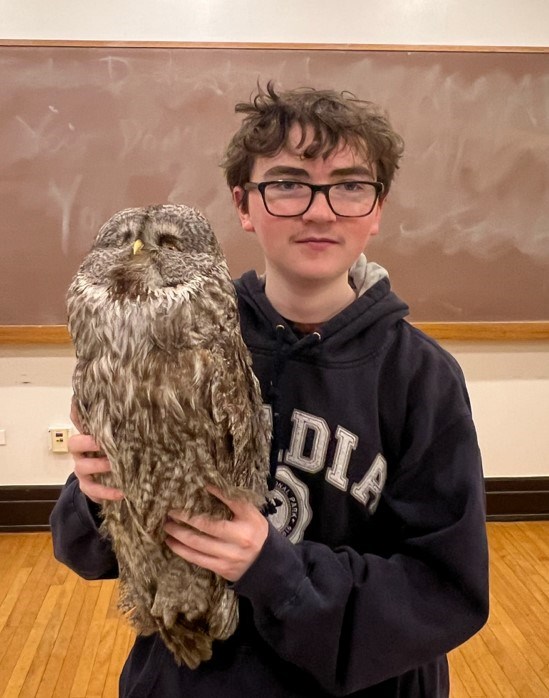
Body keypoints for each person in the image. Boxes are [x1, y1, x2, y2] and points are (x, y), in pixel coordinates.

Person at [50, 82, 489, 697]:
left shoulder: (421, 378)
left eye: (350, 185)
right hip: (193, 678)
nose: (319, 209)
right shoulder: (165, 335)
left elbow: (445, 594)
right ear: (244, 204)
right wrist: (98, 491)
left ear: (378, 207)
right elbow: (90, 552)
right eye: (286, 184)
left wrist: (274, 568)